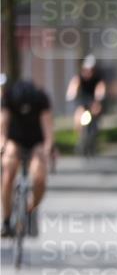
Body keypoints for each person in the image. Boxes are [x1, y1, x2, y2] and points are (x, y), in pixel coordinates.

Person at [1, 76, 55, 237]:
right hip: (15, 140)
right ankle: (6, 220)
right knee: (8, 173)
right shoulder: (9, 97)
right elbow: (3, 123)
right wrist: (2, 143)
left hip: (35, 141)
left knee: (39, 178)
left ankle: (30, 209)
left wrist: (47, 147)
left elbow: (47, 126)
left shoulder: (40, 98)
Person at [65, 54, 106, 148]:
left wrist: (99, 98)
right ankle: (80, 137)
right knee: (78, 116)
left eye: (90, 70)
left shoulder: (97, 78)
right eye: (86, 69)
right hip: (82, 101)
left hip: (93, 101)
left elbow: (100, 88)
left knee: (96, 111)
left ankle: (94, 132)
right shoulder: (79, 77)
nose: (88, 72)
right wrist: (70, 94)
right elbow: (74, 85)